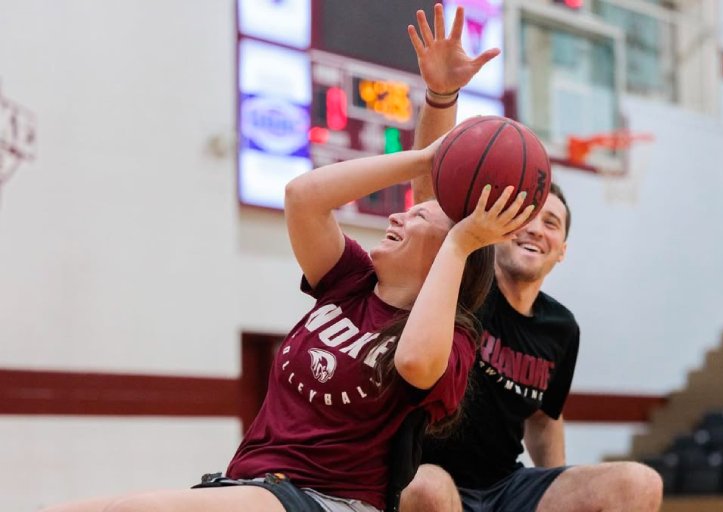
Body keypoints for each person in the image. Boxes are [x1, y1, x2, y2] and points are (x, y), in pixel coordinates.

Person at [40, 118, 537, 510]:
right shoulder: (351, 282)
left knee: (138, 511)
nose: (395, 215)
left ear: (449, 249)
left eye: (418, 216)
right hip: (251, 484)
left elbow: (413, 365)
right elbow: (303, 197)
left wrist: (463, 241)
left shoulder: (451, 339)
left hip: (329, 501)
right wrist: (427, 158)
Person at [400, 4, 664, 512]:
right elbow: (429, 188)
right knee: (429, 488)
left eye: (552, 224)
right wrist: (441, 94)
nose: (537, 230)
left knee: (638, 483)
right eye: (529, 214)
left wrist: (557, 492)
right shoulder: (466, 276)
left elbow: (544, 421)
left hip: (505, 488)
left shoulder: (561, 329)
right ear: (499, 224)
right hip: (428, 480)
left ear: (561, 250)